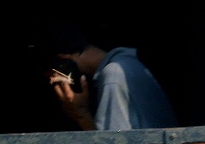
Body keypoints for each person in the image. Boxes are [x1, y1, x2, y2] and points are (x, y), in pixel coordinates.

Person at [47, 26, 178, 131]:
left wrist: (81, 114)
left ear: (63, 61)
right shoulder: (127, 65)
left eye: (56, 73)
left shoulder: (113, 76)